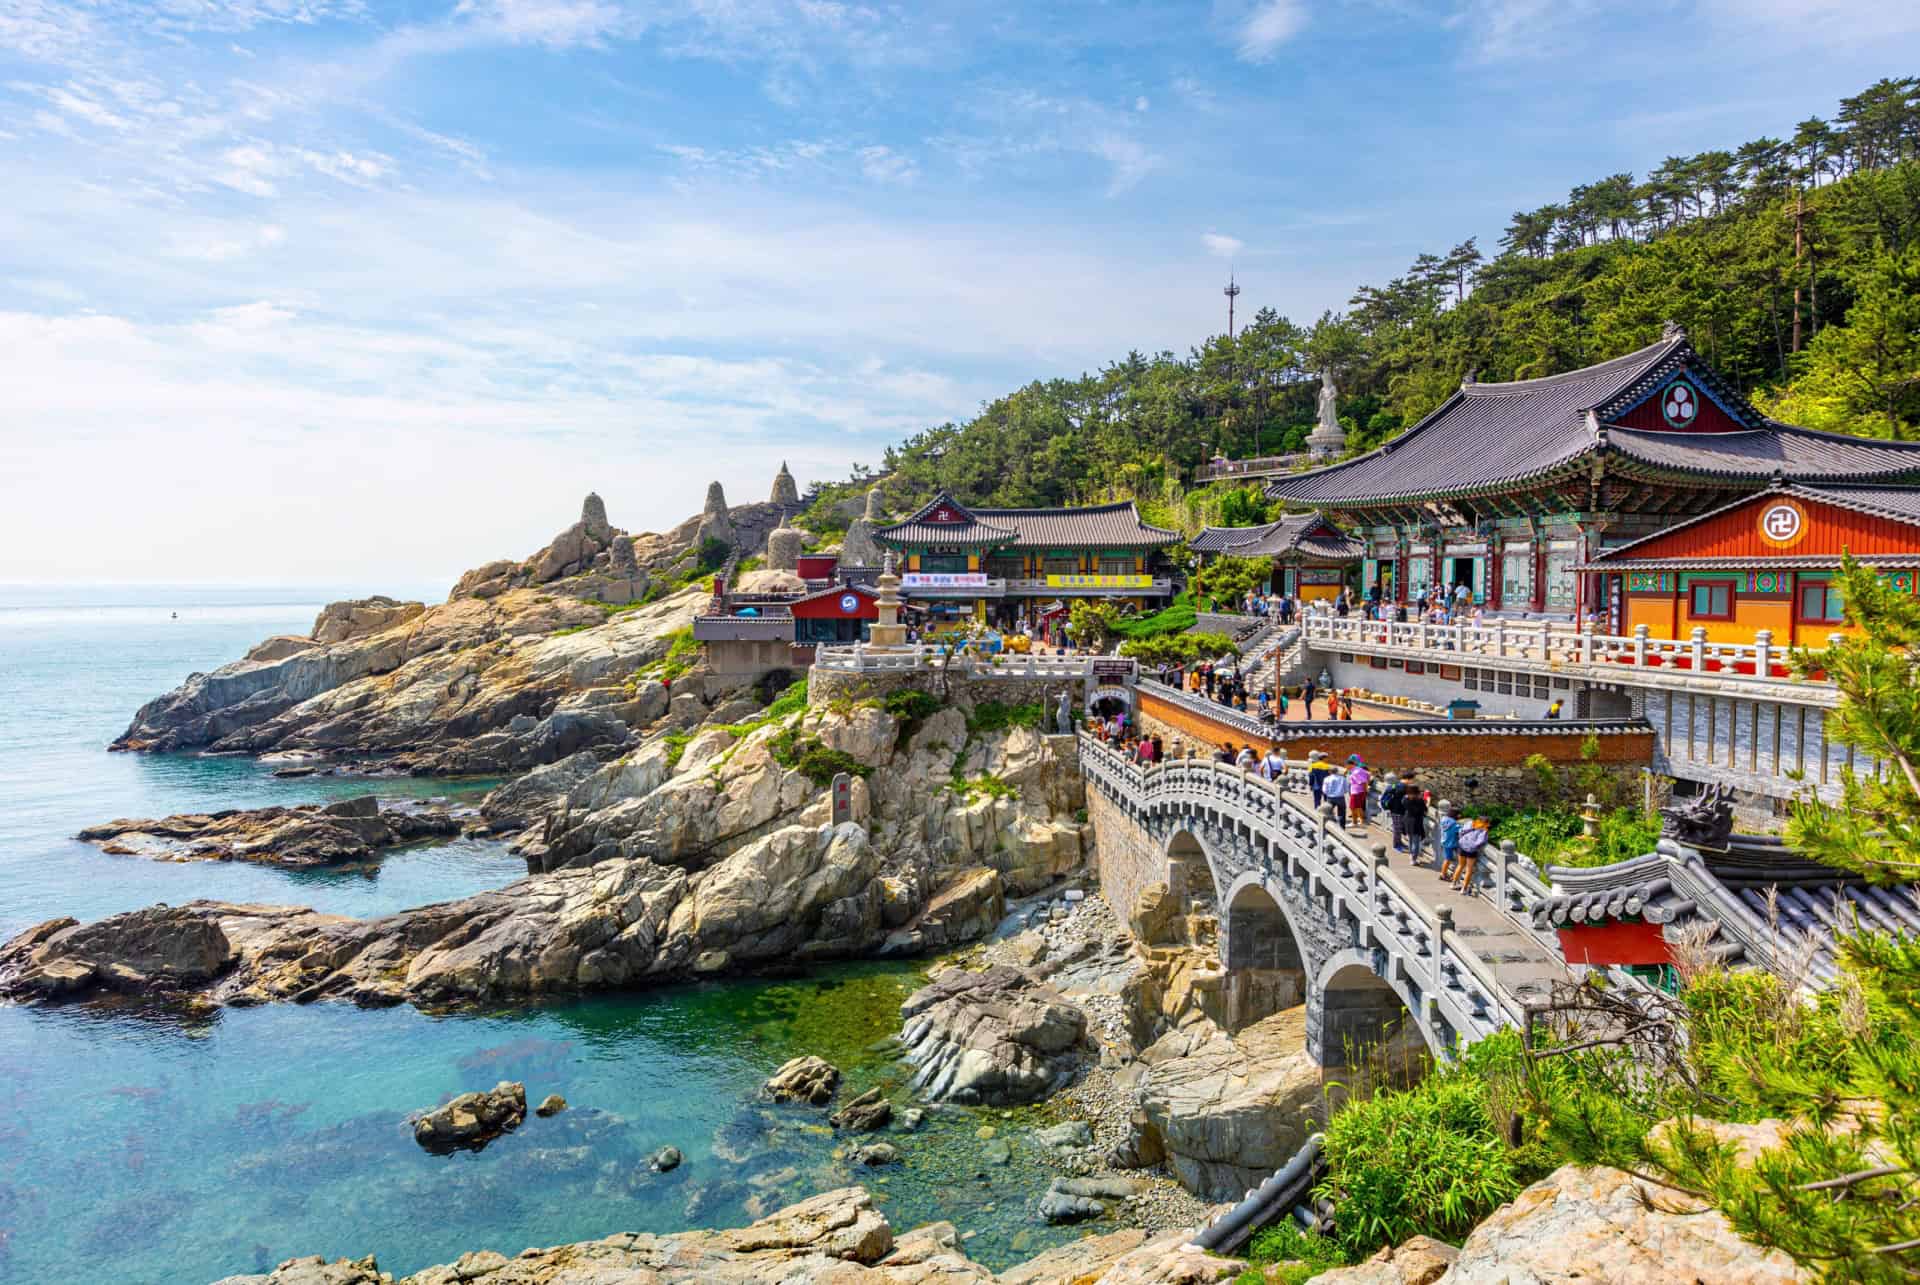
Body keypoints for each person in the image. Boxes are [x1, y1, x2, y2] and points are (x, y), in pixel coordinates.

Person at [1454, 817, 1491, 891]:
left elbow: (1461, 831)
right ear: (1486, 823)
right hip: (1471, 850)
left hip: (1462, 846)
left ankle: (1453, 883)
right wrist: (1475, 846)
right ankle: (1464, 889)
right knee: (1469, 869)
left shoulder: (1470, 824)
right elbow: (1480, 841)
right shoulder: (1484, 830)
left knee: (1460, 865)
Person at [1403, 783, 1430, 865]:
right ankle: (1413, 859)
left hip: (1407, 820)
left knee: (1411, 839)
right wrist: (1428, 801)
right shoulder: (1420, 801)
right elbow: (1425, 810)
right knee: (1416, 841)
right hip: (1416, 822)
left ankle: (1411, 855)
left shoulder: (1405, 800)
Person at [1436, 800, 1463, 880]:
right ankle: (1443, 874)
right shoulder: (1454, 824)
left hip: (1444, 841)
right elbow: (1461, 831)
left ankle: (1444, 873)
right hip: (1451, 844)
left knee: (1447, 858)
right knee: (1448, 859)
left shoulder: (1444, 819)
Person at [1380, 772, 1406, 851]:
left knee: (1397, 828)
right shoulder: (1400, 786)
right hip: (1400, 810)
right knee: (1397, 829)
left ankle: (1399, 843)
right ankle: (1396, 845)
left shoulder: (1390, 788)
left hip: (1394, 810)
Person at [1347, 756, 1371, 830]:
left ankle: (1354, 823)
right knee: (1358, 807)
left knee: (1353, 807)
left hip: (1357, 791)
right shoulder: (1359, 769)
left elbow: (1363, 782)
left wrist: (1365, 790)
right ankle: (1361, 821)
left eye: (1346, 765)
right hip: (1358, 791)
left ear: (1350, 765)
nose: (1346, 767)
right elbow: (1368, 775)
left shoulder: (1356, 772)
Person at [1320, 763, 1347, 827]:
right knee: (1342, 814)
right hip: (1340, 798)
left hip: (1330, 798)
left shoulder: (1326, 778)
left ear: (1329, 771)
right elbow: (1346, 789)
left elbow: (1324, 790)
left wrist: (1328, 794)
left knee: (1328, 813)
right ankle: (1342, 827)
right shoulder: (1343, 778)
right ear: (1337, 771)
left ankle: (1330, 826)